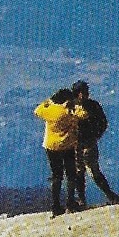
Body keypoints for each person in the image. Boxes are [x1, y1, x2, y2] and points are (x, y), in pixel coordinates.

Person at [35, 87, 85, 216]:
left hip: (51, 146)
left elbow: (38, 110)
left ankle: (55, 206)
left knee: (56, 176)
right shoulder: (70, 112)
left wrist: (49, 102)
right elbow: (83, 115)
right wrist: (77, 106)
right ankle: (70, 203)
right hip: (67, 146)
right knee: (71, 174)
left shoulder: (51, 111)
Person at [70, 81, 119, 205]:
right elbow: (103, 122)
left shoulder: (87, 106)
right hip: (77, 144)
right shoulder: (88, 106)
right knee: (80, 172)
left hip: (86, 143)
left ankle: (107, 195)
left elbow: (103, 122)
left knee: (91, 171)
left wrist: (95, 136)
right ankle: (84, 199)